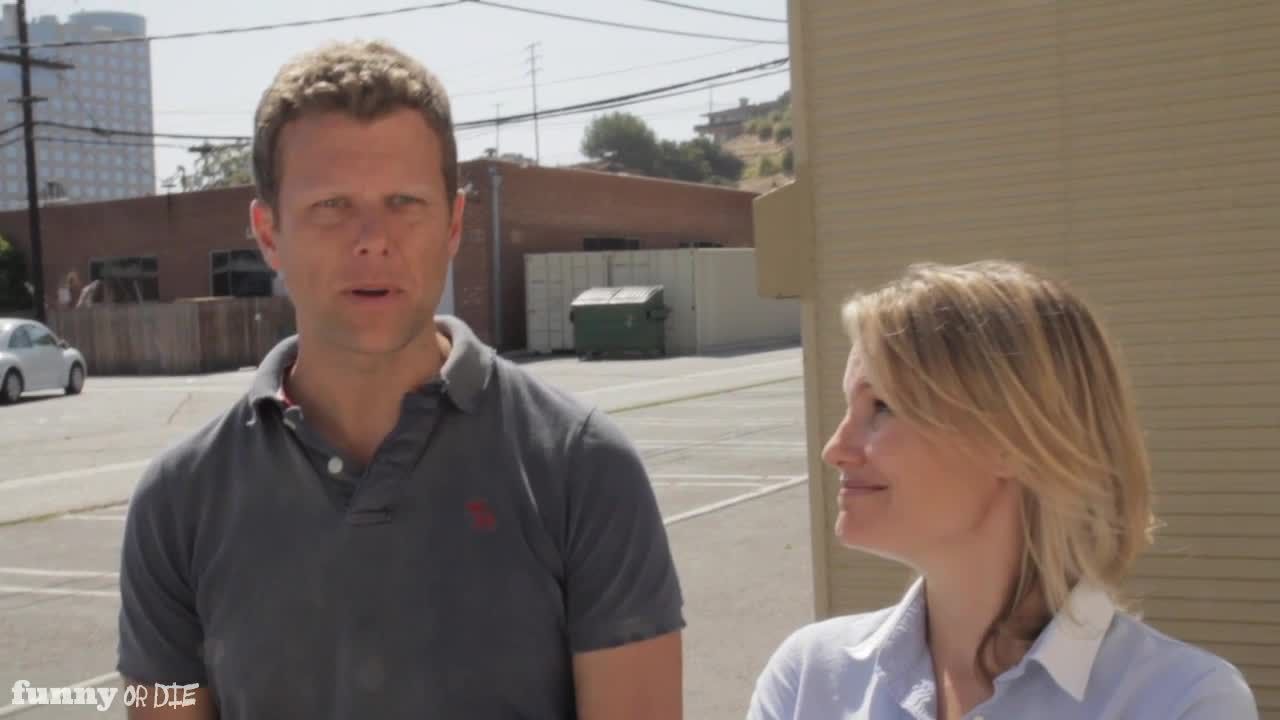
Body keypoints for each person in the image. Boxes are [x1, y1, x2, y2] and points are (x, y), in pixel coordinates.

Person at [116, 40, 684, 720]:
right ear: (268, 234)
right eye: (331, 204)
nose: (372, 239)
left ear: (454, 224)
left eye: (404, 201)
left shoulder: (583, 470)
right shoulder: (178, 504)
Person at [746, 260, 1259, 719]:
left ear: (1014, 439)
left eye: (881, 407)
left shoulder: (1183, 701)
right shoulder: (810, 678)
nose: (835, 449)